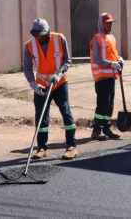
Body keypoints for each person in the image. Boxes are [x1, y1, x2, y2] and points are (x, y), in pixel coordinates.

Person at [23, 18, 77, 160]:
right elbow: (27, 69)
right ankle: (41, 148)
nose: (40, 37)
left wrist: (59, 74)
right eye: (37, 35)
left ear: (48, 31)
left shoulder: (60, 39)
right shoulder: (29, 45)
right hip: (41, 85)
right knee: (41, 115)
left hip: (59, 83)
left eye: (42, 34)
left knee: (66, 111)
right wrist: (33, 84)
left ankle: (71, 146)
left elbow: (67, 60)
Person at [89, 12, 123, 141]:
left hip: (111, 76)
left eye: (110, 23)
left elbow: (114, 54)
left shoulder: (112, 38)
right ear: (101, 24)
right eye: (107, 23)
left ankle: (107, 128)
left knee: (110, 104)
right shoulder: (96, 39)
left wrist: (120, 60)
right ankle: (97, 130)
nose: (109, 25)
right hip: (102, 77)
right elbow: (96, 59)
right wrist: (111, 64)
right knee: (102, 104)